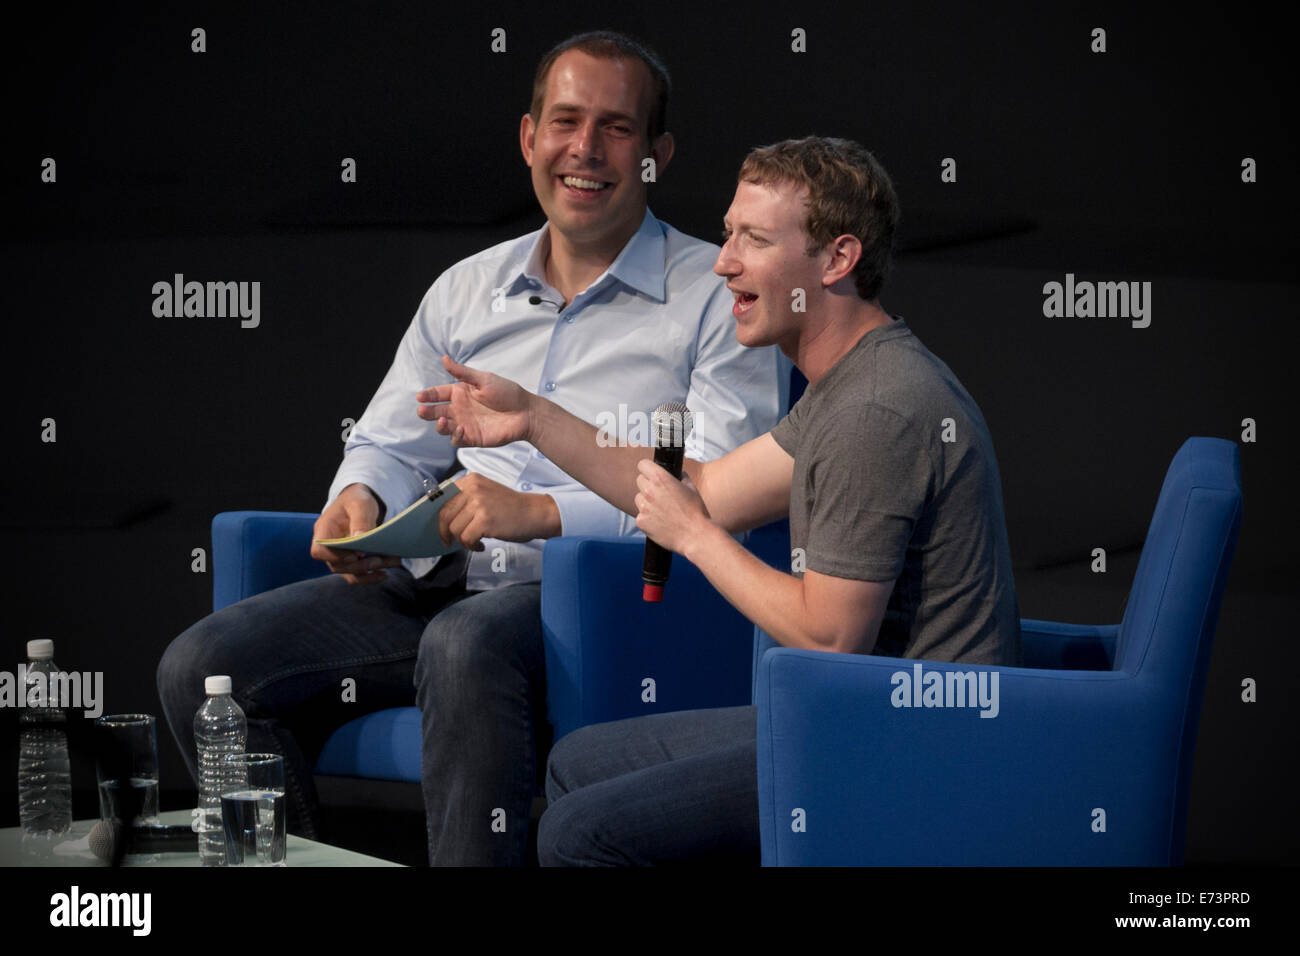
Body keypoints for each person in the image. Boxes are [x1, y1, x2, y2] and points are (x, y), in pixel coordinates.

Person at [155, 31, 783, 866]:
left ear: (657, 154)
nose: (585, 150)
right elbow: (388, 437)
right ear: (530, 138)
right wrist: (364, 498)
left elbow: (717, 496)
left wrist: (540, 513)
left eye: (617, 127)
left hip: (609, 600)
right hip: (439, 579)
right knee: (203, 664)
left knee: (464, 645)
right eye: (564, 121)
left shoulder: (718, 298)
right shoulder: (464, 290)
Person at [416, 136, 1022, 865]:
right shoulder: (850, 384)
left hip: (906, 747)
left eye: (755, 241)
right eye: (728, 232)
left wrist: (696, 538)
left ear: (837, 260)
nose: (723, 261)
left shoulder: (878, 412)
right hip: (850, 718)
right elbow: (701, 488)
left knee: (582, 835)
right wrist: (536, 420)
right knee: (578, 763)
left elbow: (831, 640)